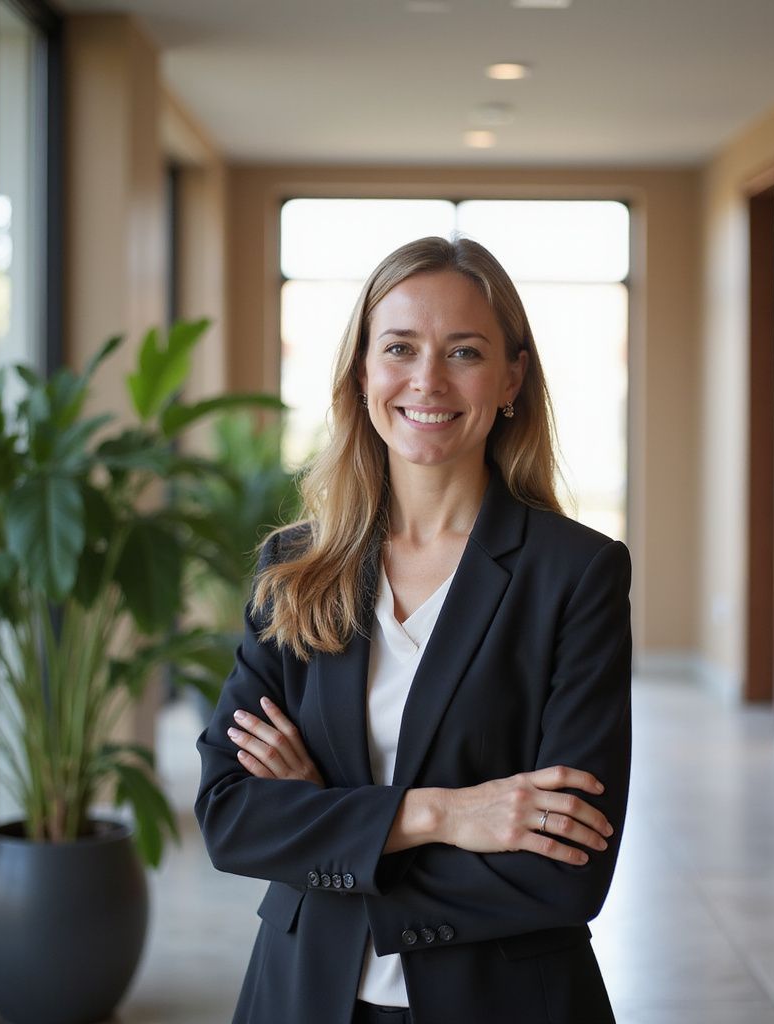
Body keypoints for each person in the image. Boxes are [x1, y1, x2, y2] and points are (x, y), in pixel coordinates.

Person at [195, 235, 632, 1024]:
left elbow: (568, 871)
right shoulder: (294, 571)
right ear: (362, 370)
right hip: (303, 991)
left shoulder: (576, 574)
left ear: (511, 380)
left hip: (499, 1002)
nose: (427, 379)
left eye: (464, 351)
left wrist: (329, 818)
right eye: (399, 347)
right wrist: (446, 815)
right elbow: (232, 816)